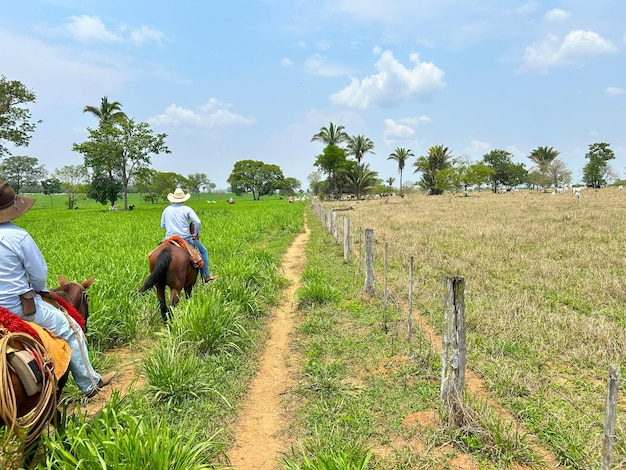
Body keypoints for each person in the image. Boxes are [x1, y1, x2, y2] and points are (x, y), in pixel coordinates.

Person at [0, 181, 115, 398]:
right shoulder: (18, 236)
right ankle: (90, 384)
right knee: (72, 329)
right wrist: (37, 288)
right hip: (16, 308)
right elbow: (39, 275)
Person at [161, 187, 216, 283]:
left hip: (168, 238)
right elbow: (197, 221)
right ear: (183, 199)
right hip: (184, 238)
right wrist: (194, 234)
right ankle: (206, 276)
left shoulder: (167, 209)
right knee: (203, 252)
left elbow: (162, 225)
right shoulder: (187, 209)